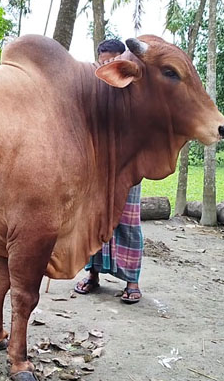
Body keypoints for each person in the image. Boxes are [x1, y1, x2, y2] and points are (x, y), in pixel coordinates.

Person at [74, 39, 144, 304]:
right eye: (103, 63)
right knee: (93, 221)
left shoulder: (135, 91)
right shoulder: (93, 90)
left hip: (127, 167)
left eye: (113, 62)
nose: (108, 67)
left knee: (128, 222)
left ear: (122, 62)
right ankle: (92, 275)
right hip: (97, 168)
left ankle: (132, 281)